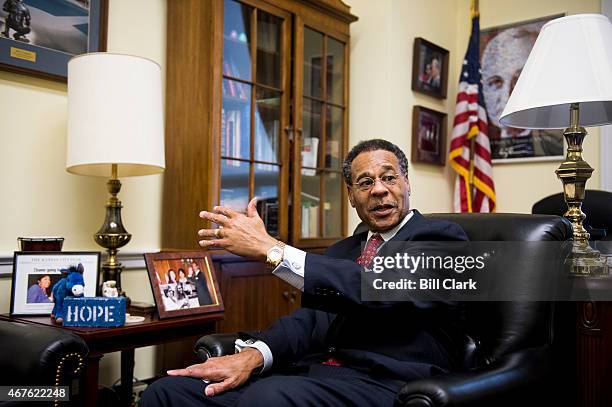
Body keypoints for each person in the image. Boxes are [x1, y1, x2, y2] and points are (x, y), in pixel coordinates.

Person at [141, 139, 467, 406]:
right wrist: (254, 355)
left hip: (392, 384)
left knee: (269, 397)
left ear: (407, 183)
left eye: (389, 177)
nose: (379, 190)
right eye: (365, 182)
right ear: (352, 196)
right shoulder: (343, 251)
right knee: (169, 393)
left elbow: (381, 287)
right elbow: (308, 322)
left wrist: (273, 250)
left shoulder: (442, 238)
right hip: (316, 377)